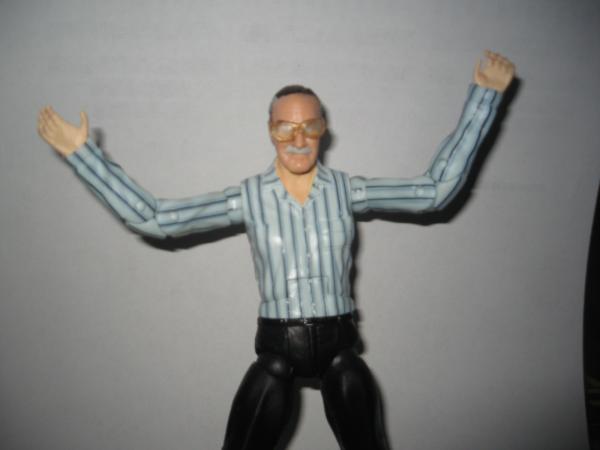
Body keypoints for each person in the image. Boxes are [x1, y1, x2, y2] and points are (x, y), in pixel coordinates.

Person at [37, 50, 515, 450]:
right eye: (286, 128)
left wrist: (484, 99)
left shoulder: (347, 190)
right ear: (270, 130)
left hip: (339, 344)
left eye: (310, 126)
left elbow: (433, 191)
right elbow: (158, 218)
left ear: (324, 128)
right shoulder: (248, 197)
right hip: (276, 348)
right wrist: (83, 155)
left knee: (362, 421)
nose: (298, 139)